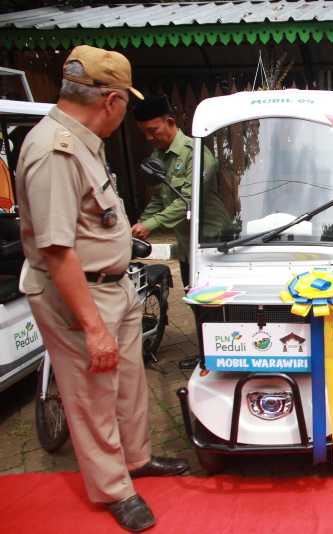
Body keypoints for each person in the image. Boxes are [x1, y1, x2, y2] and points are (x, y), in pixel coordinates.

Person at [15, 45, 188, 532]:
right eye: (125, 106)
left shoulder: (83, 141)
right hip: (79, 295)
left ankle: (136, 459)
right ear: (111, 100)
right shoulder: (55, 150)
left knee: (129, 383)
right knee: (92, 393)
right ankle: (113, 487)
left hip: (113, 286)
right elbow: (57, 251)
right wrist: (92, 327)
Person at [131, 95, 227, 289]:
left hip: (213, 244)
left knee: (216, 306)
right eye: (144, 133)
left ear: (170, 122)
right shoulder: (158, 157)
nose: (149, 138)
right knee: (193, 300)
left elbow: (190, 200)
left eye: (153, 130)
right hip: (187, 248)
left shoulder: (196, 154)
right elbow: (159, 197)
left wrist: (152, 224)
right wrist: (140, 225)